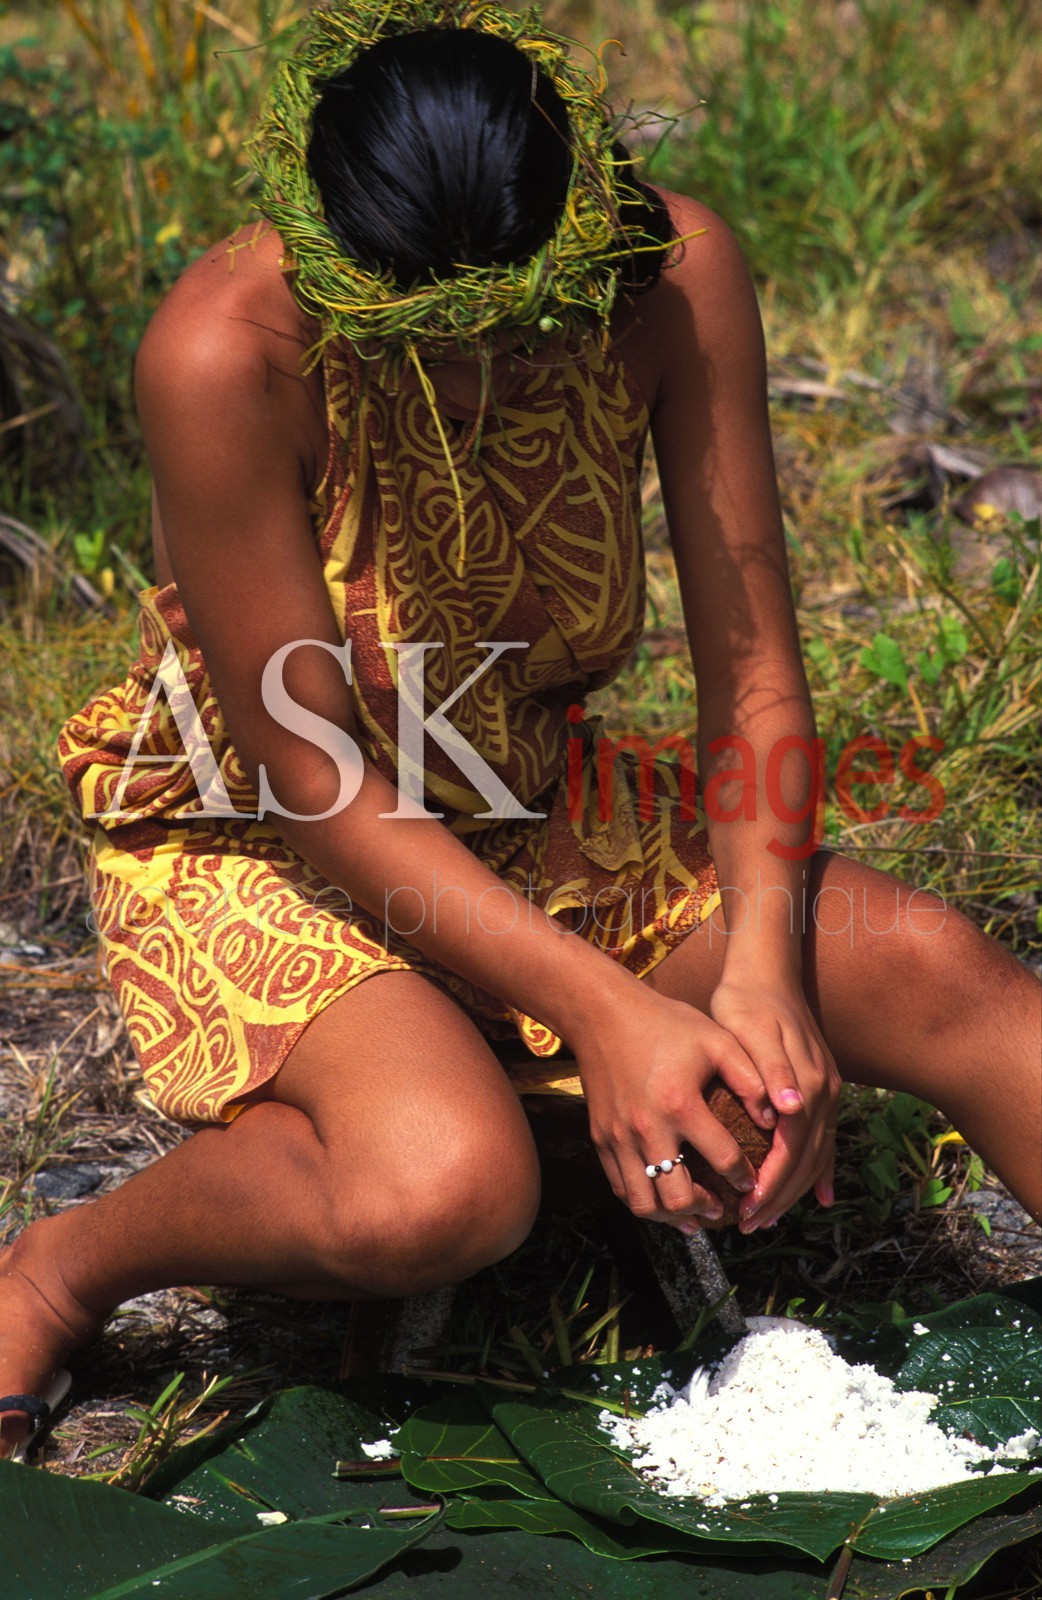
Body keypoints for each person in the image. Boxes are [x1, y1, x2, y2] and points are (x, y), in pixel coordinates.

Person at [1, 0, 1038, 1461]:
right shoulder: (223, 354)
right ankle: (63, 1265)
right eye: (425, 344)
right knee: (442, 1185)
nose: (474, 382)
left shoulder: (674, 277)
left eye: (521, 333)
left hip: (526, 798)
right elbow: (311, 771)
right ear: (338, 266)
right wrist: (608, 1012)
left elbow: (751, 670)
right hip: (271, 835)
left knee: (932, 970)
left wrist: (761, 974)